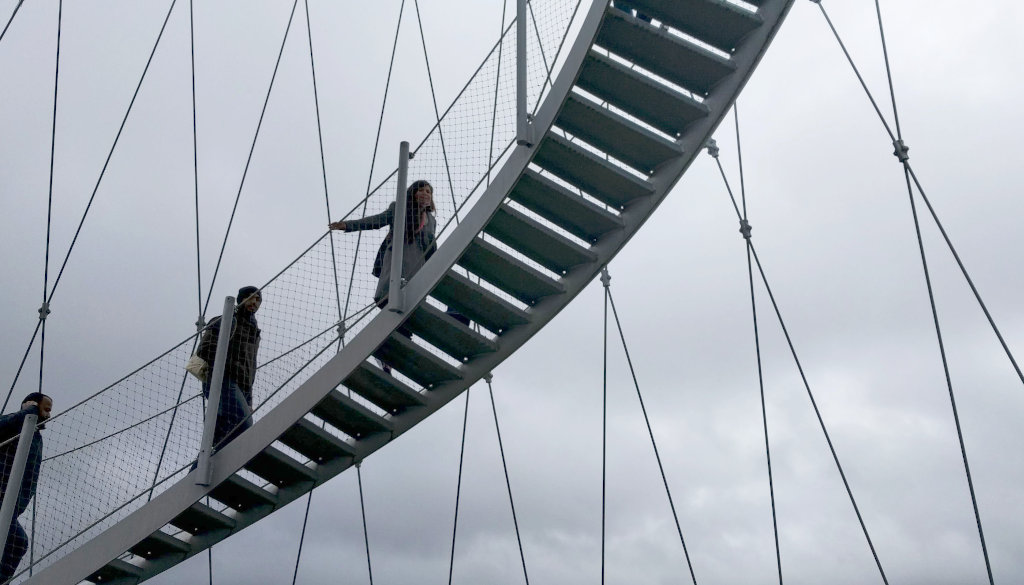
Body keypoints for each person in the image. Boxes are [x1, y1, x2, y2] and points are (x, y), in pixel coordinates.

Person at [330, 180, 438, 307]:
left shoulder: (431, 220)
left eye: (428, 192)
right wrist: (348, 225)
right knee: (390, 288)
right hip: (398, 252)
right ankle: (385, 298)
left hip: (418, 258)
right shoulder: (399, 208)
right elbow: (377, 220)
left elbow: (431, 244)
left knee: (414, 294)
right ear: (413, 193)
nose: (425, 194)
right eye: (420, 190)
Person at [196, 286, 262, 449]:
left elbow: (250, 367)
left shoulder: (254, 332)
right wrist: (223, 369)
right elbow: (204, 349)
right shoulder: (227, 319)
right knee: (245, 425)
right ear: (241, 300)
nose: (254, 302)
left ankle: (202, 467)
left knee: (216, 439)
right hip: (223, 380)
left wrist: (248, 401)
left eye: (258, 299)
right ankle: (215, 458)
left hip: (242, 386)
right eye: (250, 297)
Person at [0, 393, 52, 583]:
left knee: (16, 543)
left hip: (10, 505)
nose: (49, 414)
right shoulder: (15, 422)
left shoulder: (35, 435)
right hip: (1, 498)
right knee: (17, 542)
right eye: (45, 408)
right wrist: (27, 411)